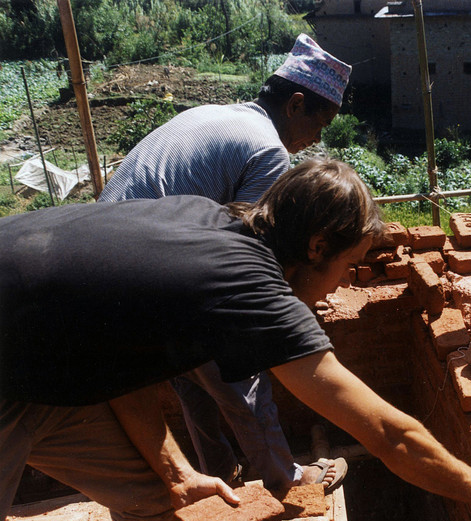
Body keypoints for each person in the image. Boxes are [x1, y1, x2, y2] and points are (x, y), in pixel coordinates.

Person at [0, 158, 471, 521]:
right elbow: (389, 432)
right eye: (346, 265)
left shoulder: (205, 221)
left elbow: (121, 364)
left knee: (150, 500)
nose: (344, 282)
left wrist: (175, 472)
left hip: (42, 365)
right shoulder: (251, 291)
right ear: (317, 245)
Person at [99, 33, 352, 492]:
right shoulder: (267, 151)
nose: (319, 138)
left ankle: (217, 471)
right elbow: (247, 265)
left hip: (114, 266)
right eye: (322, 122)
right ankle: (285, 475)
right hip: (152, 263)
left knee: (191, 371)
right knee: (243, 366)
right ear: (296, 104)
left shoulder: (218, 116)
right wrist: (289, 322)